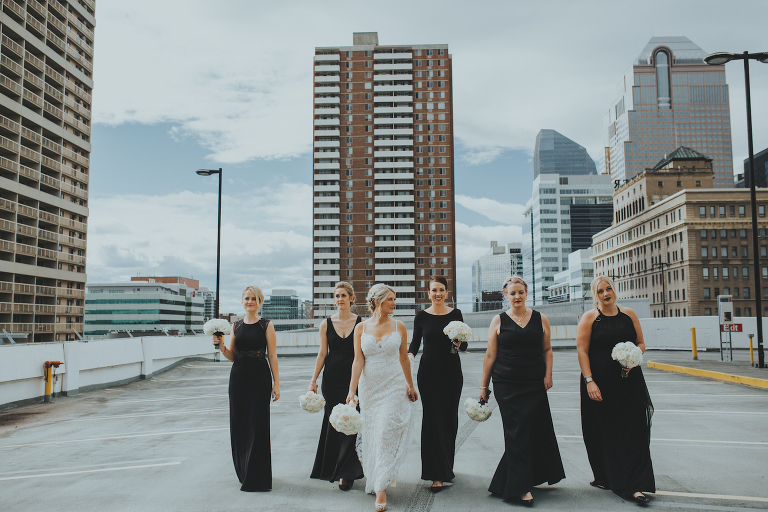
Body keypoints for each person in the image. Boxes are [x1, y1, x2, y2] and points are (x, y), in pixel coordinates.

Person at [479, 276, 565, 505]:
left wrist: (549, 374)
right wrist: (484, 386)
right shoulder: (498, 320)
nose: (517, 297)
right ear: (506, 296)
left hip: (534, 383)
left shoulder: (540, 318)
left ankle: (508, 480)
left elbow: (547, 349)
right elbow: (490, 355)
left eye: (520, 292)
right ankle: (522, 488)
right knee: (516, 433)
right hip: (506, 384)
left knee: (531, 432)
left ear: (527, 293)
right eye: (512, 293)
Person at [577, 275, 655, 505]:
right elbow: (582, 351)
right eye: (600, 291)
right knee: (607, 433)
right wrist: (589, 380)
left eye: (608, 289)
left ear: (614, 290)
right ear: (595, 295)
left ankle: (636, 483)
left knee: (633, 431)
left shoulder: (629, 314)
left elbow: (641, 343)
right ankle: (615, 478)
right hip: (600, 385)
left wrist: (632, 356)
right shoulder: (590, 318)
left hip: (630, 383)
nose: (605, 294)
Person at [347, 283, 418, 512]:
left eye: (394, 299)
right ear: (377, 301)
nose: (394, 303)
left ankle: (381, 488)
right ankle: (377, 477)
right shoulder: (361, 328)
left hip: (394, 386)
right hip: (370, 390)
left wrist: (410, 384)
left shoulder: (400, 326)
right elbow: (358, 361)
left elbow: (404, 359)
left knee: (386, 429)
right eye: (390, 299)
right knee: (373, 433)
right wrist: (352, 391)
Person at [214, 285, 279, 492]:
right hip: (238, 380)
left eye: (253, 298)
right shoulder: (236, 326)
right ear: (242, 301)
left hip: (260, 379)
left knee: (258, 426)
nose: (249, 301)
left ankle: (258, 476)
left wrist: (277, 383)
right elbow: (233, 355)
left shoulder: (266, 325)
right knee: (240, 425)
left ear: (259, 301)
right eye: (246, 298)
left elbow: (272, 355)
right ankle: (244, 470)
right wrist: (221, 347)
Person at [408, 276, 466, 492]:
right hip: (429, 375)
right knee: (432, 421)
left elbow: (465, 342)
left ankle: (446, 466)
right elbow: (414, 344)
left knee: (449, 420)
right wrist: (406, 361)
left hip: (452, 373)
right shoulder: (421, 316)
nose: (438, 293)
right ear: (428, 292)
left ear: (447, 291)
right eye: (434, 290)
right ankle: (435, 474)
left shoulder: (456, 314)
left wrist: (460, 343)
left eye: (441, 289)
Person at [308, 282, 364, 490]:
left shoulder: (360, 323)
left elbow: (362, 356)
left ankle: (346, 473)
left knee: (351, 423)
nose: (340, 299)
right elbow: (322, 354)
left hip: (353, 379)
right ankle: (331, 467)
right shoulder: (326, 324)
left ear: (351, 298)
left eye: (343, 295)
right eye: (336, 296)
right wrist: (313, 380)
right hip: (331, 379)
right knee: (333, 423)